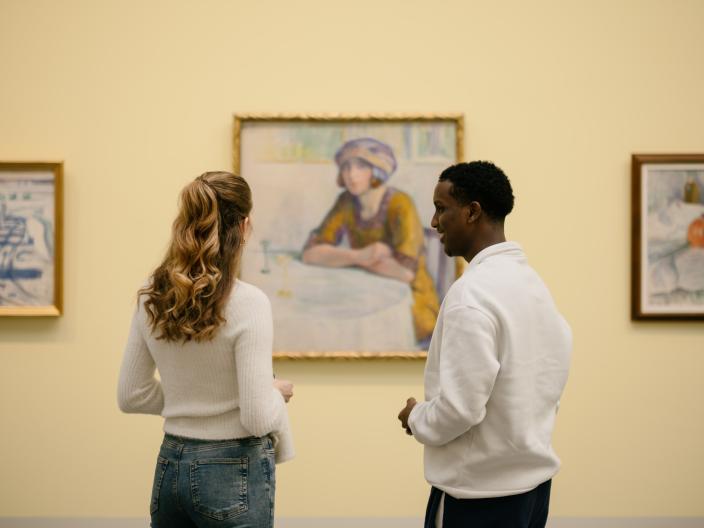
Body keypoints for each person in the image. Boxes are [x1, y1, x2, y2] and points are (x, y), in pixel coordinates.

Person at [397, 161, 572, 528]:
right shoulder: (533, 285)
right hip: (532, 490)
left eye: (441, 208)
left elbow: (460, 410)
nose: (434, 222)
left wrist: (416, 416)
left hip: (479, 498)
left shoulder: (471, 295)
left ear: (472, 211)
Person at [118, 171, 294, 528]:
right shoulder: (249, 303)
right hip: (232, 467)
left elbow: (131, 394)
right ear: (244, 226)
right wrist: (275, 392)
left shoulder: (152, 296)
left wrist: (190, 400)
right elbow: (257, 417)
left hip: (171, 464)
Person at [301, 137, 439, 344]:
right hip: (370, 289)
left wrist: (343, 258)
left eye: (361, 166)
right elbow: (310, 254)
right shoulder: (346, 201)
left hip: (413, 302)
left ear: (377, 170)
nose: (351, 175)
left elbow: (405, 273)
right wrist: (361, 256)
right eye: (346, 167)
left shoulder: (401, 204)